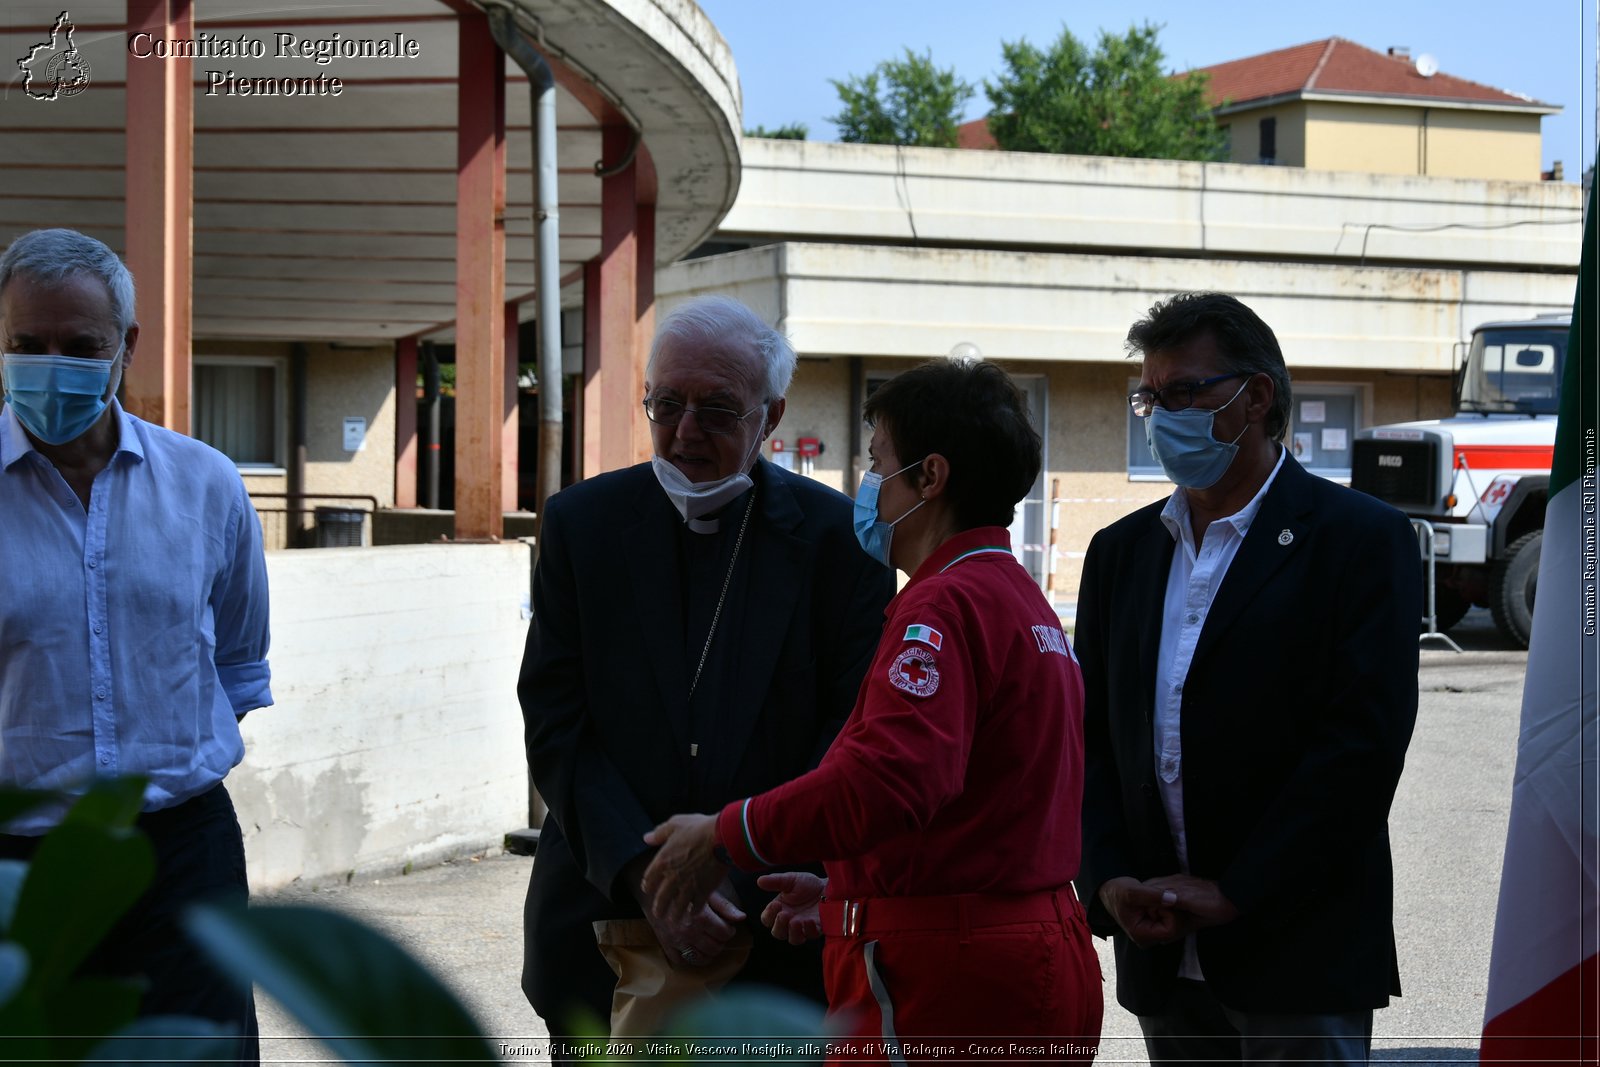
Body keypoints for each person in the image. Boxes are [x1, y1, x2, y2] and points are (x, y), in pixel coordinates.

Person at [642, 357, 1103, 1064]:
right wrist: (847, 889)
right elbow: (985, 806)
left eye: (878, 461)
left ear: (931, 477)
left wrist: (728, 833)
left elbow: (890, 778)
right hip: (1023, 948)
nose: (868, 486)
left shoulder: (942, 603)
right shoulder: (1016, 595)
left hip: (952, 974)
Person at [518, 295, 894, 1049]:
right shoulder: (580, 524)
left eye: (718, 409)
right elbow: (556, 720)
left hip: (771, 933)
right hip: (600, 916)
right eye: (668, 404)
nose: (686, 432)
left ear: (771, 412)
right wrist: (647, 877)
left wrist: (735, 874)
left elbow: (847, 737)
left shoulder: (841, 545)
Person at [1073, 292, 1420, 1064]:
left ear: (1256, 396)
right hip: (1158, 953)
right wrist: (1107, 879)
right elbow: (1089, 736)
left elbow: (1359, 750)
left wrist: (1238, 890)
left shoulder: (1361, 541)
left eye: (1185, 393)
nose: (1164, 417)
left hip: (1297, 952)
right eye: (1150, 398)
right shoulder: (1121, 553)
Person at [0, 228, 271, 1063]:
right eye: (25, 344)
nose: (52, 364)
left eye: (80, 346)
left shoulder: (208, 484)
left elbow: (234, 657)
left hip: (184, 854)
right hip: (19, 861)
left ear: (128, 347)